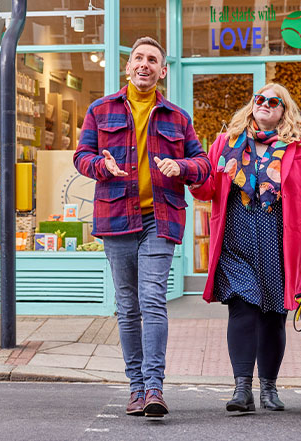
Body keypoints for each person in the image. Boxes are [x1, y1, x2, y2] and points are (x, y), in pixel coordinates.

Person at [74, 36, 210, 418]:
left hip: (159, 218)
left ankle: (154, 388)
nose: (144, 64)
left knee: (152, 300)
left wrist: (180, 167)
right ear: (128, 66)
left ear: (162, 71)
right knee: (127, 306)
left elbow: (203, 165)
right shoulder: (100, 110)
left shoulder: (178, 118)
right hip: (117, 218)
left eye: (153, 60)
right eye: (139, 58)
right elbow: (81, 156)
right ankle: (135, 388)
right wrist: (101, 166)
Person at [190, 83, 301, 412]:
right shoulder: (226, 143)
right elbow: (207, 189)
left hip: (280, 241)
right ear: (252, 105)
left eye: (275, 102)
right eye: (261, 100)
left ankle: (269, 388)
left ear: (285, 111)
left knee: (273, 315)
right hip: (236, 238)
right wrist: (191, 176)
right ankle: (242, 389)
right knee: (242, 308)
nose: (266, 105)